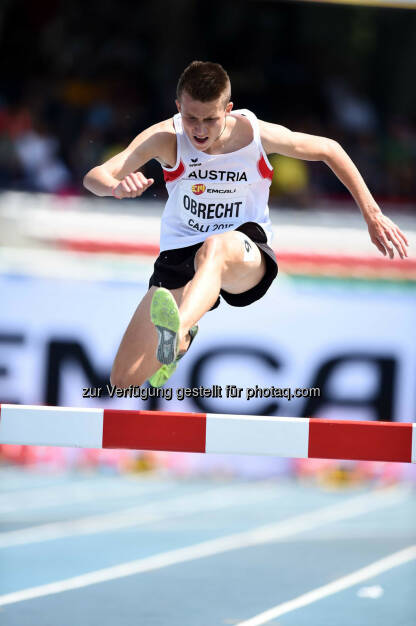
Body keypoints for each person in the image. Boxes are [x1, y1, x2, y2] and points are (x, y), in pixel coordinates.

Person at [83, 61, 409, 389]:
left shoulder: (255, 135)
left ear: (228, 109)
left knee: (216, 247)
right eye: (191, 118)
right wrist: (115, 187)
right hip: (180, 253)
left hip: (244, 249)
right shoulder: (165, 136)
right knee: (123, 380)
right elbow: (94, 177)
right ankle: (180, 339)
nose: (199, 130)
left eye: (210, 119)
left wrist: (372, 214)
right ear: (178, 107)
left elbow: (330, 150)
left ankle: (179, 328)